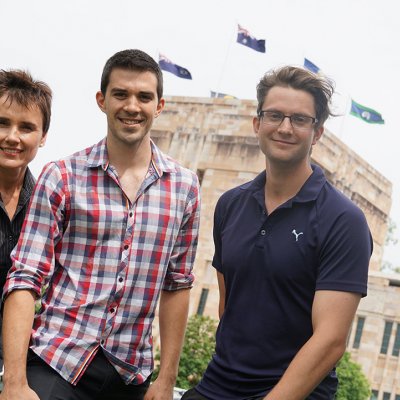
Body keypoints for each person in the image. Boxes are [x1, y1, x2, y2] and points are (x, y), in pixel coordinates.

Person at [1, 49, 200, 400]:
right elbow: (25, 278)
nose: (132, 106)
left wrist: (167, 380)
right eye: (120, 94)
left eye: (144, 96)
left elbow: (177, 285)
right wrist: (15, 382)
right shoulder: (62, 176)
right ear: (102, 100)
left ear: (160, 105)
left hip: (132, 377)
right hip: (57, 362)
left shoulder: (184, 188)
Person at [182, 66, 372, 400]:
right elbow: (229, 306)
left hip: (294, 392)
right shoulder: (230, 204)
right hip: (219, 384)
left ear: (317, 134)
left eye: (300, 119)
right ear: (258, 124)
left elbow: (330, 340)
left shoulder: (344, 220)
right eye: (275, 116)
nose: (285, 128)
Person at [0, 69, 52, 373]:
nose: (12, 137)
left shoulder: (48, 204)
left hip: (20, 367)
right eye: (3, 123)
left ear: (42, 137)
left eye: (26, 127)